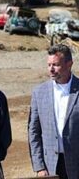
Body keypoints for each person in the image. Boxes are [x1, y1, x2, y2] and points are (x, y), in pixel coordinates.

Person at [28, 44, 79, 179]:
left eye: (55, 65)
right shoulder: (39, 92)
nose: (51, 69)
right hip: (51, 166)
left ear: (69, 64)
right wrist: (39, 167)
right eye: (49, 65)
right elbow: (34, 132)